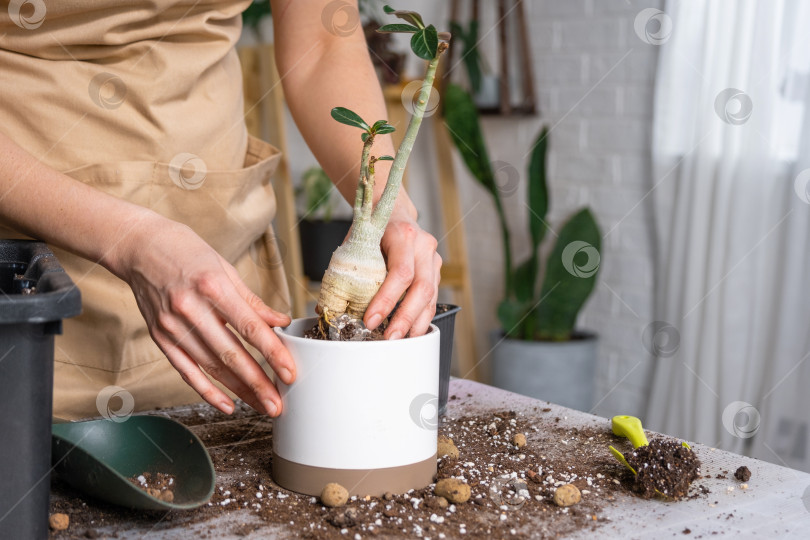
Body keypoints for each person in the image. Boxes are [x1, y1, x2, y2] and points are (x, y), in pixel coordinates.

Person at [0, 0, 441, 419]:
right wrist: (130, 239)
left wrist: (389, 211)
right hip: (28, 294)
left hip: (224, 274)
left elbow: (324, 43)